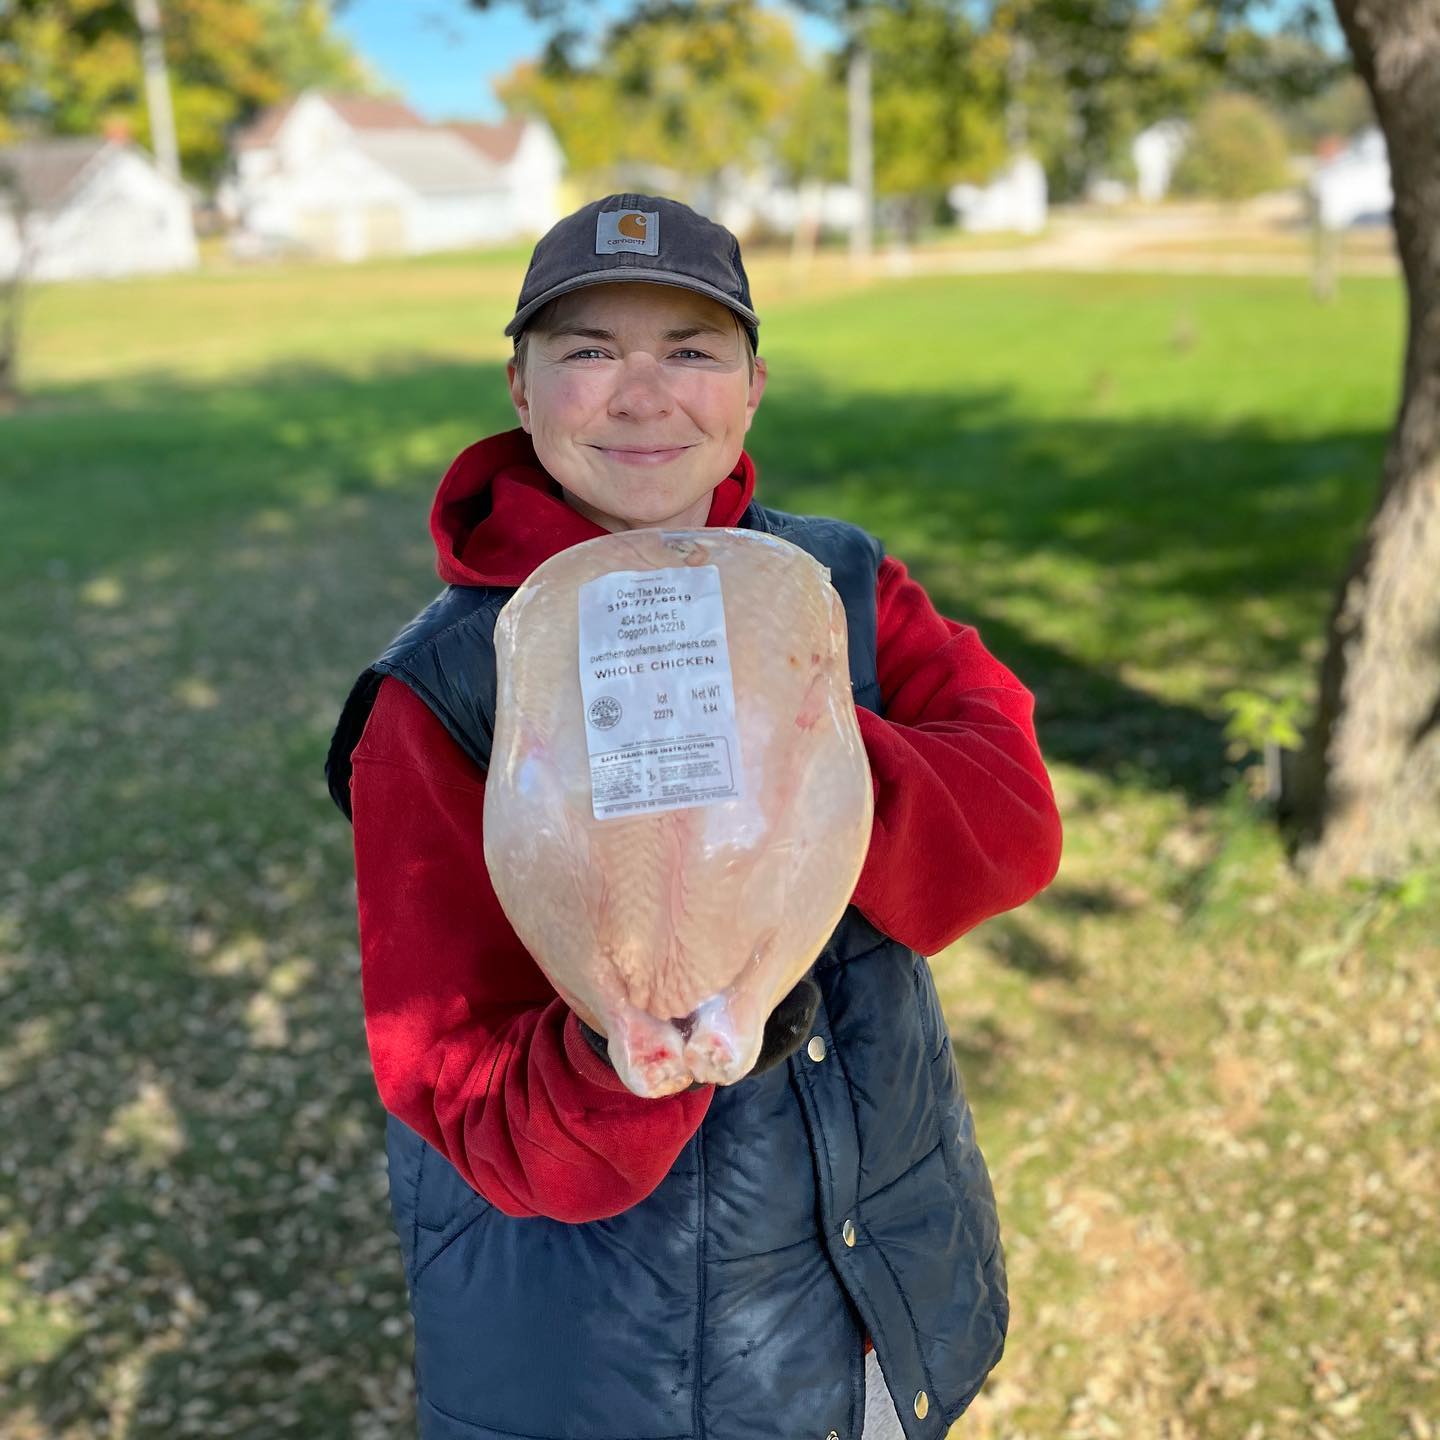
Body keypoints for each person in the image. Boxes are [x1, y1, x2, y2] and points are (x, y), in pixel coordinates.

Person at [325, 193, 1063, 1440]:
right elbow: (473, 1101)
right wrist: (634, 1050)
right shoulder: (441, 691)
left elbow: (1010, 833)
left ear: (754, 386)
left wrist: (796, 739)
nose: (642, 394)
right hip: (619, 1363)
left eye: (692, 350)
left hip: (882, 1290)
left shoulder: (841, 582)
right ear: (520, 386)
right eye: (588, 351)